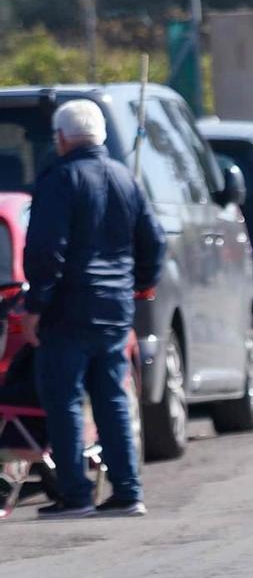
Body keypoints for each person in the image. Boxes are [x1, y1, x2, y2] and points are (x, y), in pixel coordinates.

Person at [22, 98, 162, 519]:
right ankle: (127, 491)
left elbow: (47, 249)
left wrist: (36, 304)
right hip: (116, 307)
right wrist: (138, 284)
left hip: (68, 308)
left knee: (63, 399)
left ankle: (75, 494)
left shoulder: (59, 180)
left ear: (62, 139)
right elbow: (153, 241)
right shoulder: (126, 178)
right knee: (112, 398)